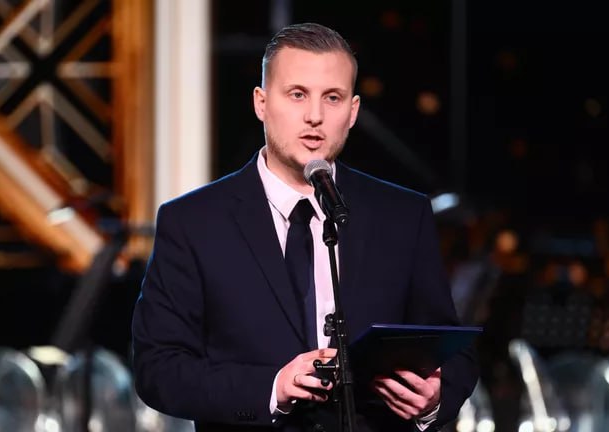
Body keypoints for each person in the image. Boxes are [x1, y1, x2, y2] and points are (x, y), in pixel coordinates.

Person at [132, 22, 478, 432]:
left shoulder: (403, 215)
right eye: (297, 94)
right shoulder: (193, 222)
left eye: (332, 98)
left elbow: (452, 350)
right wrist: (272, 388)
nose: (315, 116)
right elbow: (158, 368)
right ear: (261, 103)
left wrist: (434, 398)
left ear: (352, 112)